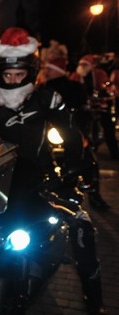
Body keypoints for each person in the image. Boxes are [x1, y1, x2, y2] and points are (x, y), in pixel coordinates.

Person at [0, 27, 106, 315]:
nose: (13, 80)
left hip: (43, 177)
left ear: (30, 73)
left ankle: (93, 296)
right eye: (7, 75)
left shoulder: (49, 99)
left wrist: (74, 165)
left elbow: (70, 134)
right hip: (0, 179)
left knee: (81, 225)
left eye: (19, 74)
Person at [41, 54, 110, 210]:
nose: (47, 72)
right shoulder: (42, 90)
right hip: (51, 132)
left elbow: (82, 108)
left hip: (72, 130)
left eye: (50, 69)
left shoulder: (74, 86)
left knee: (88, 160)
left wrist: (82, 131)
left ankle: (94, 194)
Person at [70, 54, 119, 160]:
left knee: (108, 126)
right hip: (82, 106)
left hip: (98, 104)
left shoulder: (99, 74)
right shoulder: (75, 76)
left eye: (85, 65)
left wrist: (107, 93)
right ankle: (78, 150)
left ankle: (114, 152)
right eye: (81, 64)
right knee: (78, 125)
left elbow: (107, 87)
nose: (83, 67)